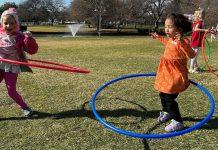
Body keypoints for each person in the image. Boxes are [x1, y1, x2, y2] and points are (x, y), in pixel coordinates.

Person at [150, 13, 196, 132]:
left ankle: (178, 121)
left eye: (169, 26)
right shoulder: (171, 39)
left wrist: (183, 42)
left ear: (179, 29)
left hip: (175, 75)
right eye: (165, 26)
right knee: (162, 94)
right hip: (166, 74)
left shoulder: (183, 40)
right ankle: (167, 112)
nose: (166, 29)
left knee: (169, 98)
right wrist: (158, 37)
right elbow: (168, 43)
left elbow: (192, 54)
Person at [0, 8, 38, 117]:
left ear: (16, 24)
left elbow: (32, 50)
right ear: (1, 23)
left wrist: (29, 39)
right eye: (5, 23)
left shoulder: (20, 36)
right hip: (0, 64)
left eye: (11, 23)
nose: (8, 26)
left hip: (12, 66)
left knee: (11, 91)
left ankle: (25, 108)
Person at [189, 9, 209, 73]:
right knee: (194, 55)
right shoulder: (199, 22)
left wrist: (204, 33)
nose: (204, 16)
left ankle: (195, 67)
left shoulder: (195, 22)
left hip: (195, 39)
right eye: (203, 14)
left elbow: (194, 30)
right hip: (196, 40)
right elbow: (196, 29)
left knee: (194, 54)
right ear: (200, 15)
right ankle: (191, 68)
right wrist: (205, 30)